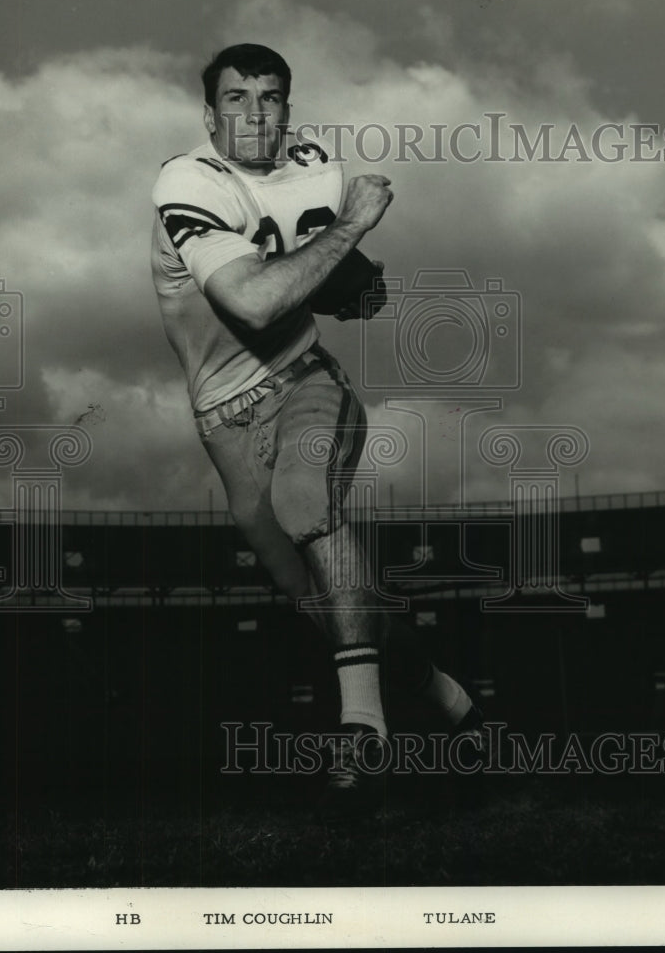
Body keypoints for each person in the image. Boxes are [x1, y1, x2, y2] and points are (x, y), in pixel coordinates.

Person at [151, 43, 483, 820]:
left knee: (307, 496)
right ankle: (457, 705)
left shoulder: (312, 164)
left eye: (269, 97)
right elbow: (257, 302)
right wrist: (356, 226)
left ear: (287, 109)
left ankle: (363, 744)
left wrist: (356, 286)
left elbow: (321, 283)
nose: (255, 113)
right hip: (224, 427)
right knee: (331, 610)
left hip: (305, 382)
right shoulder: (189, 181)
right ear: (209, 114)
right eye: (236, 99)